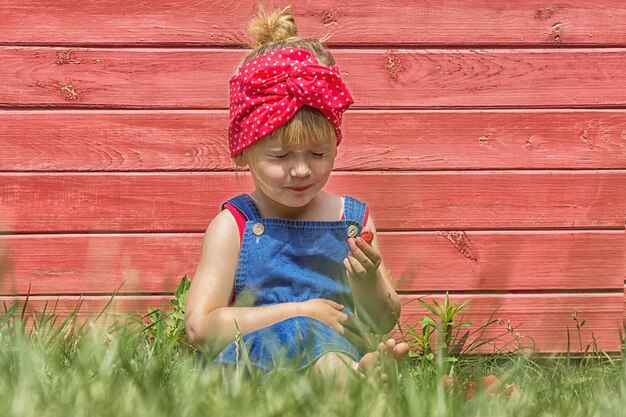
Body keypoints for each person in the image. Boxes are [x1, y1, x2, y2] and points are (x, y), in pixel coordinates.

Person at [185, 5, 409, 386]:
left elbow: (382, 319)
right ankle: (357, 386)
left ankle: (350, 383)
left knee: (324, 345)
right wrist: (299, 313)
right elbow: (201, 327)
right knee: (303, 332)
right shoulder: (234, 226)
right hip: (250, 370)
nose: (302, 169)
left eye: (318, 153)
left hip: (333, 355)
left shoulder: (351, 220)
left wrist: (367, 279)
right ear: (245, 151)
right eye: (281, 156)